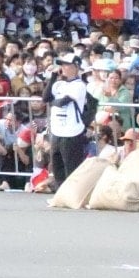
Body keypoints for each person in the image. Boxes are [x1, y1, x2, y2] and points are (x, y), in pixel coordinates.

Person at [46, 52, 93, 184]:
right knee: (57, 166)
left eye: (67, 65)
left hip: (72, 131)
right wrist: (53, 78)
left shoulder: (79, 85)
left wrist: (52, 102)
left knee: (71, 167)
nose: (64, 67)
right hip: (57, 130)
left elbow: (61, 102)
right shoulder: (59, 84)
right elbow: (46, 97)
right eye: (63, 65)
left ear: (75, 67)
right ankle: (59, 194)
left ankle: (73, 195)